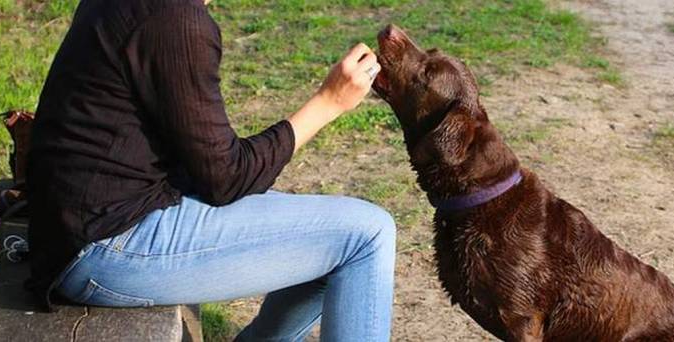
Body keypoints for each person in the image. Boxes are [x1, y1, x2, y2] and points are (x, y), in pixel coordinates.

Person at [25, 0, 396, 340]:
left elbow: (204, 162)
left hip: (80, 228)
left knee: (329, 231)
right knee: (368, 235)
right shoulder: (175, 20)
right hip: (105, 247)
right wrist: (329, 102)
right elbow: (226, 179)